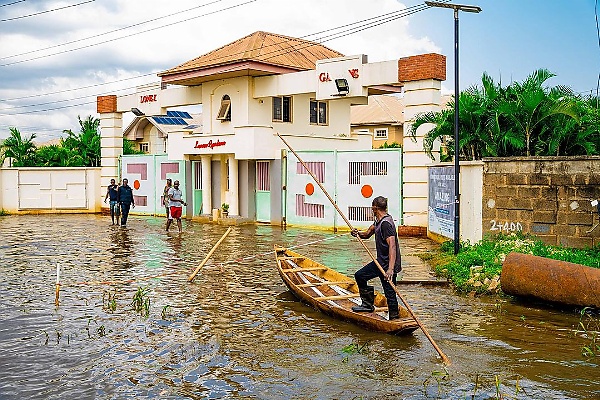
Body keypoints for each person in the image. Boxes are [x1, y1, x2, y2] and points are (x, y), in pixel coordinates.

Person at [350, 196, 402, 320]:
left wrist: (390, 269)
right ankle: (368, 304)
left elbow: (393, 246)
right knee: (360, 276)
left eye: (372, 206)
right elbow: (367, 234)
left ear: (375, 208)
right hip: (380, 262)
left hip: (388, 265)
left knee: (389, 292)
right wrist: (357, 234)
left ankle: (394, 317)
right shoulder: (378, 221)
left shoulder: (386, 224)